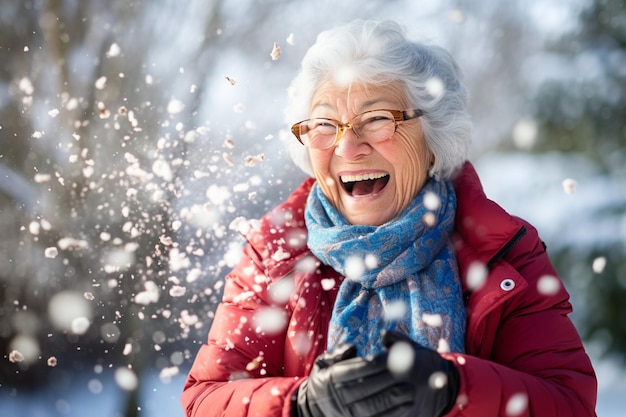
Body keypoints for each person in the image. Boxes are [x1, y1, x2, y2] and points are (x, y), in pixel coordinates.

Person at [181, 19, 597, 417]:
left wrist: (453, 388)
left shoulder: (502, 252)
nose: (347, 147)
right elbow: (205, 399)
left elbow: (570, 405)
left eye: (377, 120)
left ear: (433, 138)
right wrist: (301, 404)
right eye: (325, 124)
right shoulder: (275, 251)